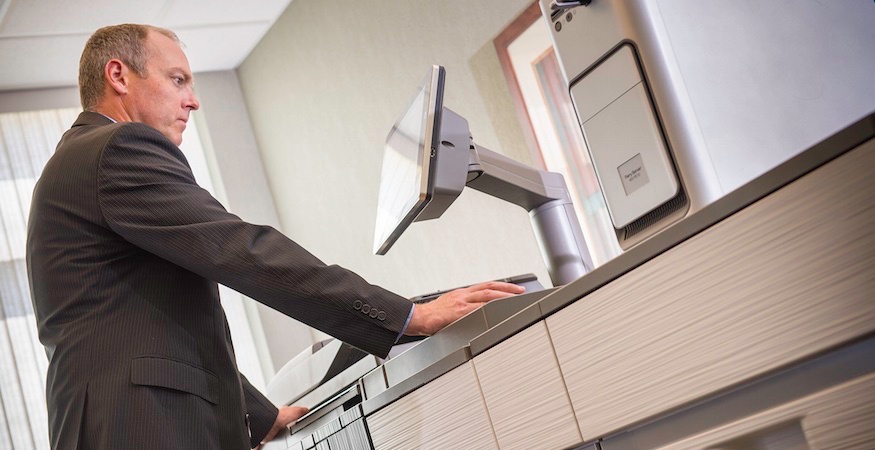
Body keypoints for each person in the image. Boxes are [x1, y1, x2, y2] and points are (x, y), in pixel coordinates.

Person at [26, 23, 524, 450]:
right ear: (119, 76)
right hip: (139, 423)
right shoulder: (118, 148)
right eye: (177, 80)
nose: (192, 100)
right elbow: (243, 251)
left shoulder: (82, 162)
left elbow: (146, 322)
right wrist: (408, 317)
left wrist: (260, 415)